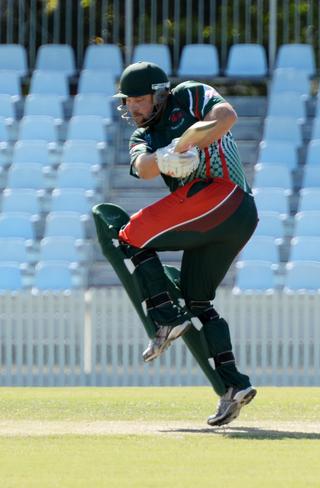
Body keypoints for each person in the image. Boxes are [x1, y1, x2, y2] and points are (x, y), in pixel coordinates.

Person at [92, 61, 257, 427]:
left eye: (139, 99)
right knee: (198, 301)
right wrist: (165, 157)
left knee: (130, 236)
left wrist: (190, 141)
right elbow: (144, 167)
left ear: (159, 93)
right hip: (232, 219)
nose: (133, 107)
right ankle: (234, 386)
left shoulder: (190, 95)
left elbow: (226, 117)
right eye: (128, 100)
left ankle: (165, 319)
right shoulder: (142, 136)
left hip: (223, 194)